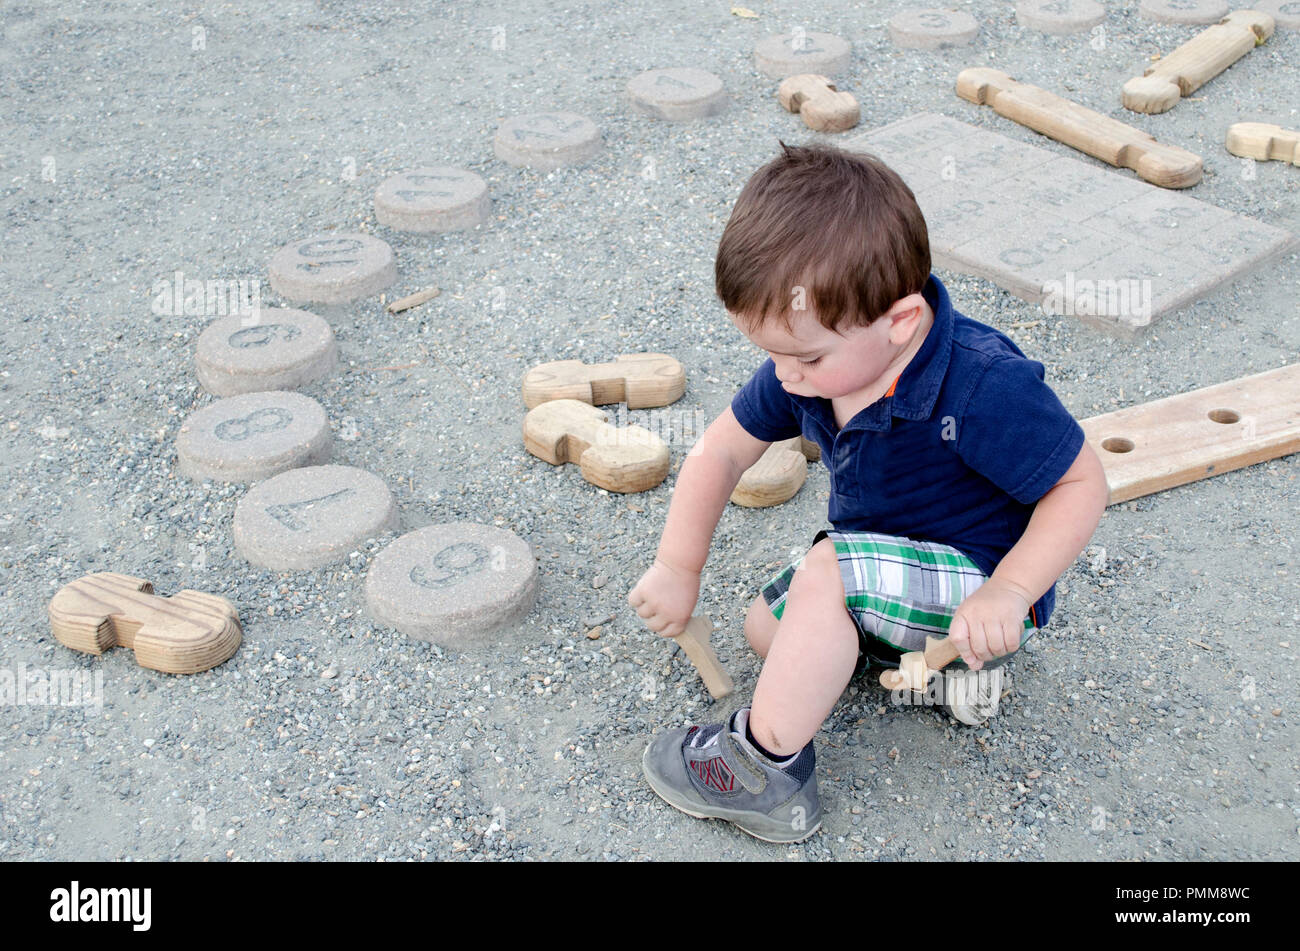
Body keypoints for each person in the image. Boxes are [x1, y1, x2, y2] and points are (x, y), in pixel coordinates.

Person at [627, 142, 1110, 843]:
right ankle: (940, 674)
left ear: (902, 322)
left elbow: (1080, 481)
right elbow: (721, 450)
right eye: (772, 354)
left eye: (807, 357)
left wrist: (1008, 593)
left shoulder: (981, 384)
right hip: (889, 565)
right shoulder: (810, 368)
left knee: (827, 574)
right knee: (764, 630)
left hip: (979, 585)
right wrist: (678, 567)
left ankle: (765, 771)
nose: (785, 376)